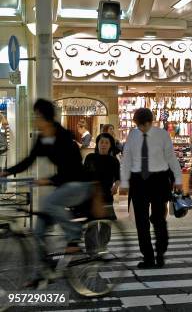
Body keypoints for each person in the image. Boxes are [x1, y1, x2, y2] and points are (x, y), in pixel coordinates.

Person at [1, 99, 93, 286]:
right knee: (38, 230)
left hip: (80, 183)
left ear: (44, 117)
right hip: (64, 185)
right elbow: (29, 160)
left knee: (48, 203)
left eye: (36, 116)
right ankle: (43, 271)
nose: (34, 119)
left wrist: (49, 180)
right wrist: (7, 172)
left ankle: (74, 236)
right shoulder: (42, 137)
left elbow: (72, 168)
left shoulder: (63, 136)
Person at [120, 108, 182, 269]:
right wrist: (125, 183)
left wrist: (178, 179)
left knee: (158, 219)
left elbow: (171, 157)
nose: (141, 128)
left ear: (151, 122)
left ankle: (160, 252)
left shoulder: (162, 135)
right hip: (138, 180)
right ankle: (148, 257)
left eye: (144, 125)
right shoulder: (133, 135)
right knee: (141, 221)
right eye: (138, 125)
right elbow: (126, 159)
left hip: (159, 179)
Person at [84, 133, 121, 218]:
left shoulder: (114, 161)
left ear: (110, 145)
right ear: (97, 144)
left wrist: (116, 186)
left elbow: (118, 177)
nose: (103, 145)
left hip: (106, 194)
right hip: (91, 195)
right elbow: (84, 175)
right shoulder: (90, 157)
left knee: (106, 224)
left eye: (106, 143)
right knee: (91, 224)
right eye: (101, 142)